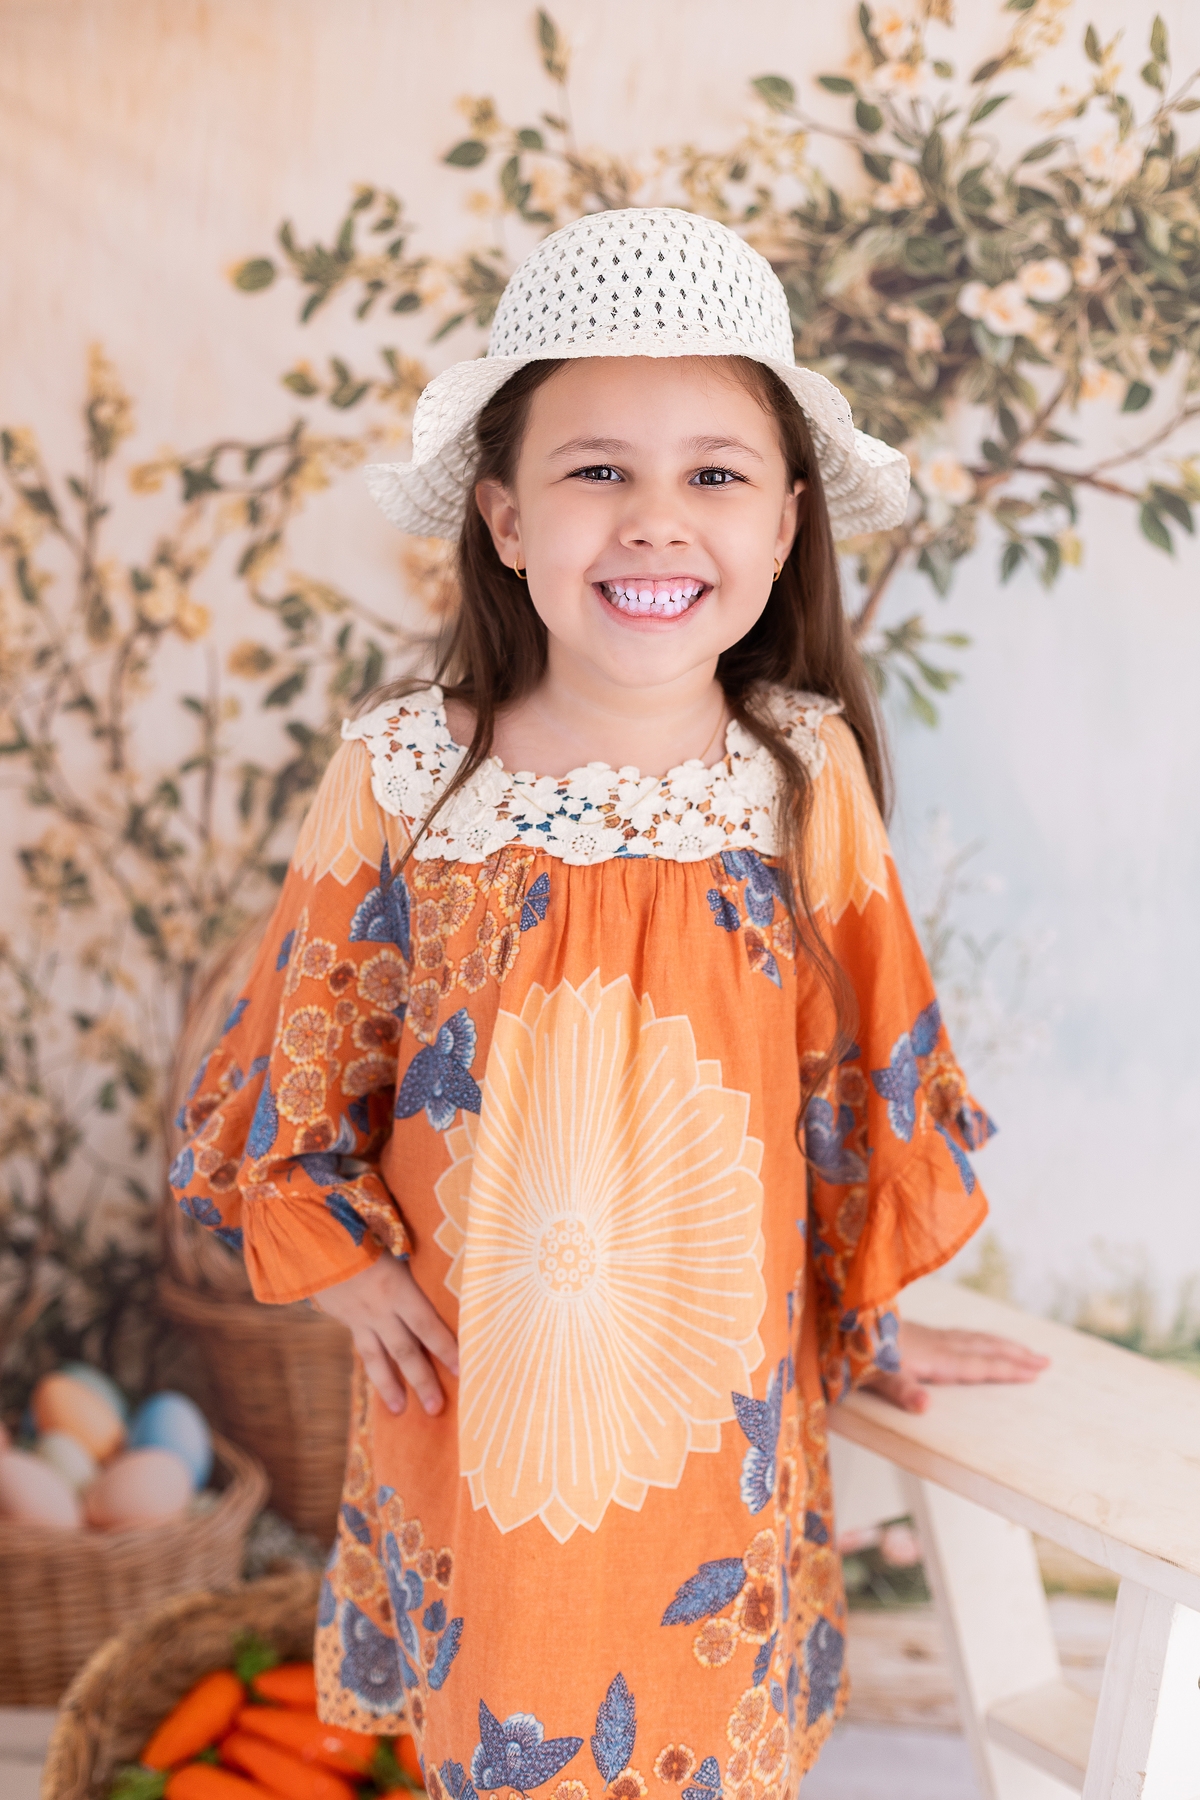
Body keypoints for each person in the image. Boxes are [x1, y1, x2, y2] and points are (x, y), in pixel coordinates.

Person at [172, 208, 1046, 1789]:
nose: (655, 523)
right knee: (508, 1738)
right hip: (489, 1422)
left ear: (783, 525)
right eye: (598, 472)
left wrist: (867, 1309)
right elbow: (294, 1059)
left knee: (704, 1748)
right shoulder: (407, 771)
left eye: (713, 475)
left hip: (717, 1438)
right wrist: (342, 1263)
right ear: (507, 519)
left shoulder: (801, 773)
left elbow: (863, 1078)